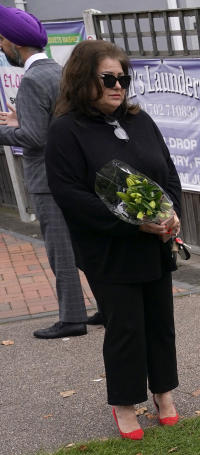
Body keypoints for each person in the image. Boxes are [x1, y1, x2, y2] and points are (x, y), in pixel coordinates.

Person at [45, 40, 182, 440]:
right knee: (125, 327)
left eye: (123, 78)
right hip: (109, 249)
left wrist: (169, 214)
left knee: (160, 323)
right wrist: (131, 224)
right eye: (108, 78)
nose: (118, 86)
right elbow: (70, 195)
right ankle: (124, 404)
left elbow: (168, 172)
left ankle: (163, 393)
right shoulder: (66, 131)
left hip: (155, 242)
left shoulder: (140, 120)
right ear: (83, 79)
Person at [0, 7, 100, 339]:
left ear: (14, 43)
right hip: (76, 176)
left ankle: (71, 318)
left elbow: (34, 138)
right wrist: (22, 122)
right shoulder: (59, 73)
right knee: (85, 247)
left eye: (2, 42)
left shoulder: (30, 81)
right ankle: (112, 306)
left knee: (61, 251)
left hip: (46, 180)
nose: (2, 48)